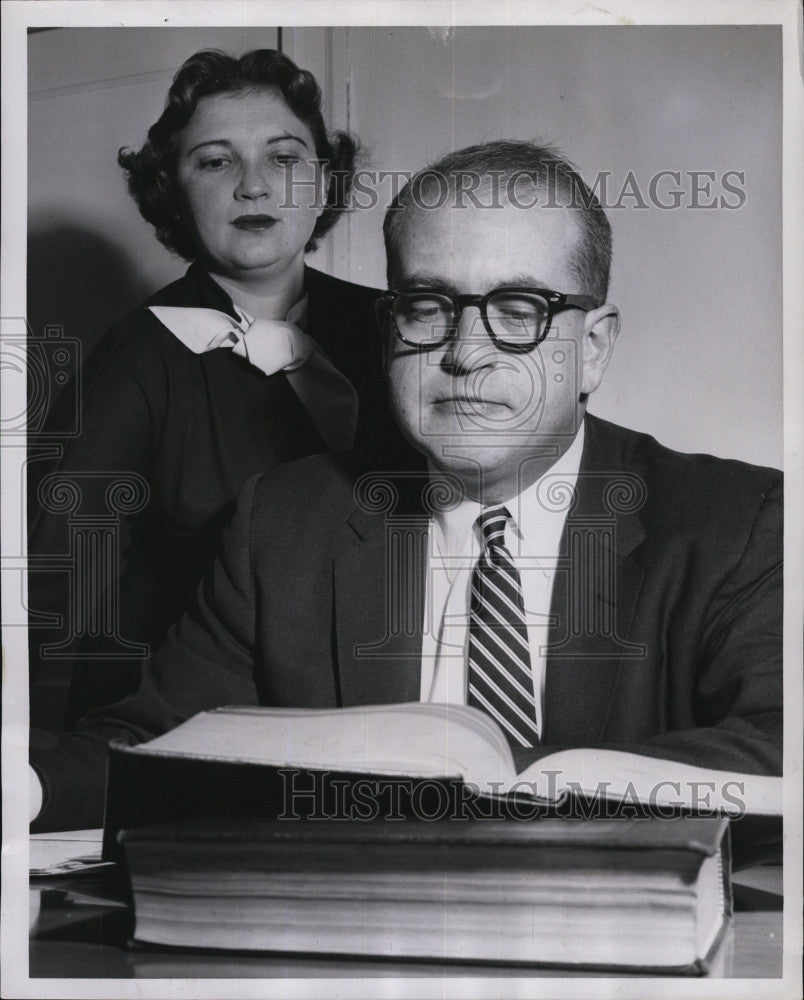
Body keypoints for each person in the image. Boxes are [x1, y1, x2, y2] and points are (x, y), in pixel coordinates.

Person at [30, 140, 782, 832]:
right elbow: (146, 749)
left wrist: (486, 790)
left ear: (592, 348)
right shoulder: (283, 525)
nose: (464, 353)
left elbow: (781, 745)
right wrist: (21, 789)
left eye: (519, 311)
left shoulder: (739, 525)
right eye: (429, 307)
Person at [27, 49, 403, 731]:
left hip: (389, 712)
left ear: (323, 181)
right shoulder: (135, 359)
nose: (253, 186)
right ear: (172, 189)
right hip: (190, 727)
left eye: (284, 157)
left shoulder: (398, 329)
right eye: (215, 161)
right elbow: (48, 593)